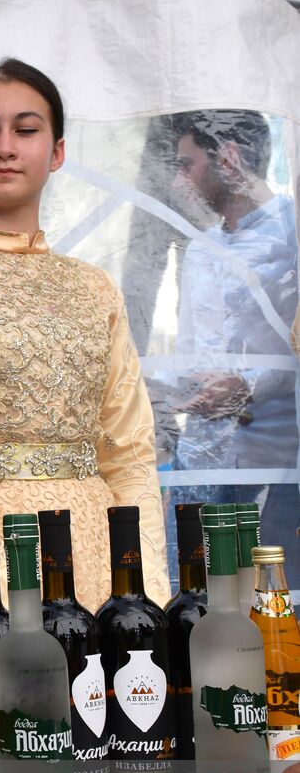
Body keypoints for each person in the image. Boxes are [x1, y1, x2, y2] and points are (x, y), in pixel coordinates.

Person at [0, 59, 169, 609]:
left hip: (100, 551)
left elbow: (129, 453)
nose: (5, 147)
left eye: (26, 129)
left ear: (57, 151)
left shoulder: (96, 287)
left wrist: (148, 579)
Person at [167, 109, 299, 565]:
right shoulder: (201, 247)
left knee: (270, 606)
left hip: (275, 463)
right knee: (191, 600)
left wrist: (249, 386)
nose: (179, 178)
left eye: (187, 164)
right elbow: (191, 351)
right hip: (199, 459)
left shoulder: (293, 232)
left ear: (228, 156)